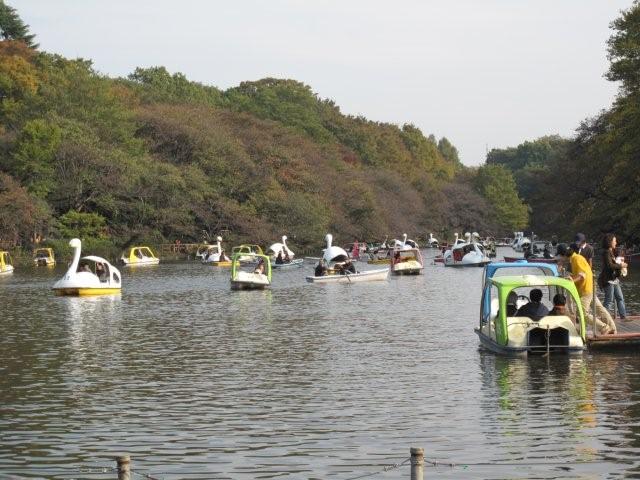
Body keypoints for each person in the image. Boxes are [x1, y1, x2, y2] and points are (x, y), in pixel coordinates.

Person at [557, 243, 616, 335]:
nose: (560, 258)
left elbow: (582, 276)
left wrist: (572, 281)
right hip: (589, 287)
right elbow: (580, 274)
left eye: (560, 256)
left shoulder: (576, 259)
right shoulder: (575, 258)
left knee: (582, 313)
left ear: (563, 254)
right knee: (600, 309)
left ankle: (604, 327)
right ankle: (612, 328)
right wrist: (570, 276)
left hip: (585, 289)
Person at [598, 233, 628, 320]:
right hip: (608, 279)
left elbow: (612, 265)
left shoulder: (610, 252)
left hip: (613, 279)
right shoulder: (606, 252)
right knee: (609, 300)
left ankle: (623, 316)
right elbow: (610, 266)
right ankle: (604, 318)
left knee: (619, 297)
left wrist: (619, 263)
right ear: (610, 242)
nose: (616, 242)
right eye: (614, 241)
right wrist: (621, 266)